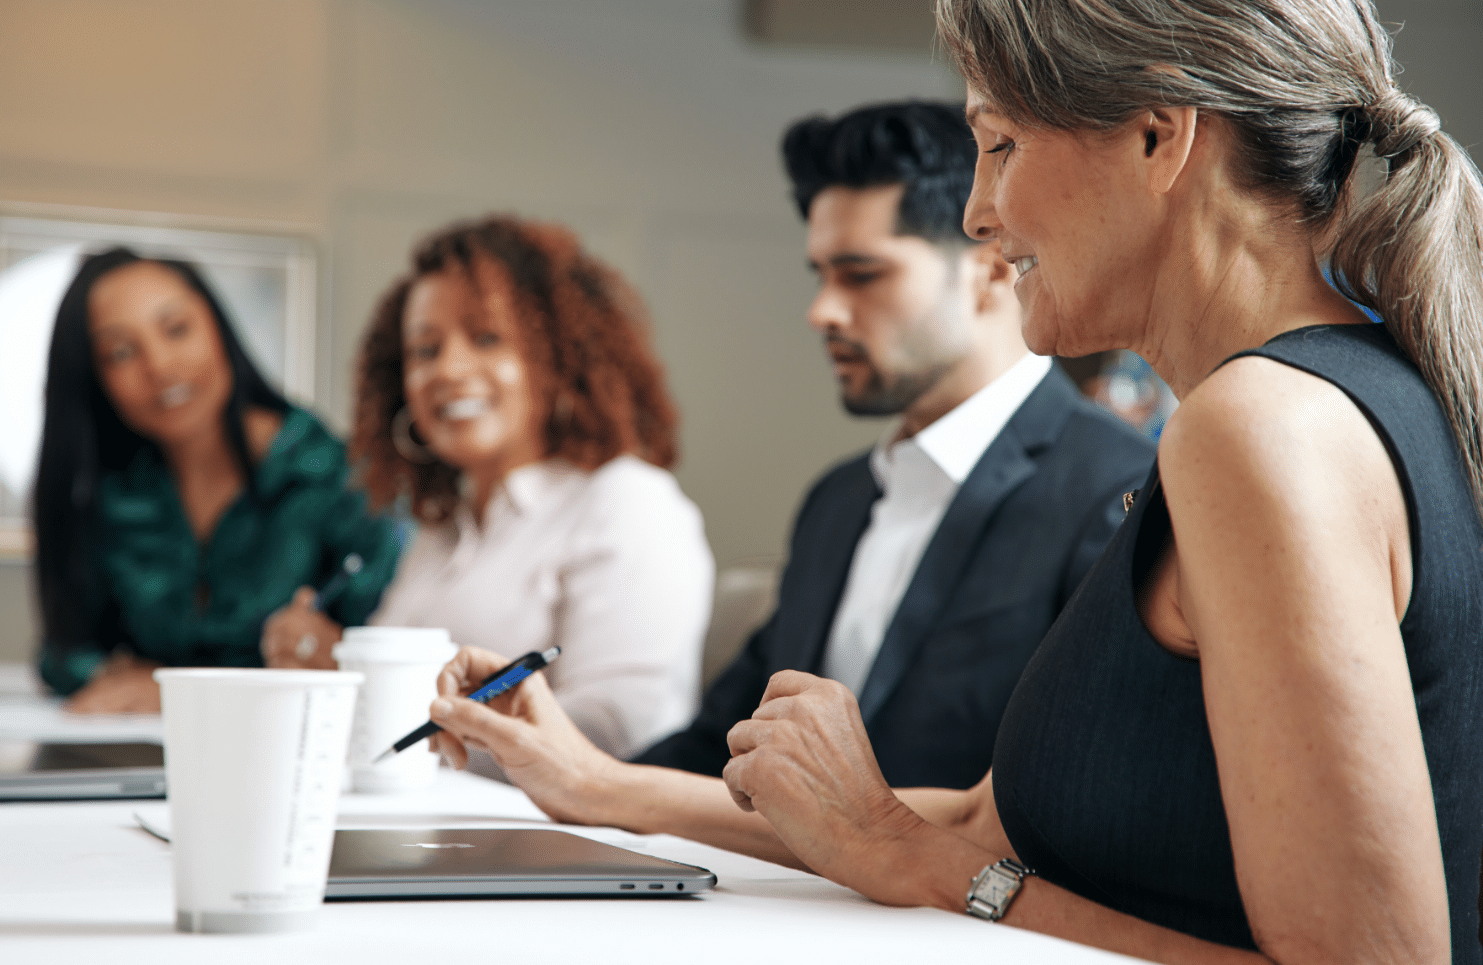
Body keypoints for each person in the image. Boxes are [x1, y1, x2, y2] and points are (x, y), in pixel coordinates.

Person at [707, 1, 1482, 962]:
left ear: (1160, 136)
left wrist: (907, 858)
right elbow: (986, 821)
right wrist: (589, 786)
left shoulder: (1258, 429)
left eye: (1000, 146)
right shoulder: (1329, 399)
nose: (976, 212)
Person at [417, 101, 1152, 850]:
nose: (823, 310)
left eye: (861, 274)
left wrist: (602, 787)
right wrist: (553, 762)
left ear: (992, 267)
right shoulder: (838, 503)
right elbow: (718, 746)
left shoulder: (1117, 492)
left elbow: (1048, 816)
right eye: (822, 275)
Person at [263, 216, 712, 762]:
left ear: (559, 356)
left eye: (486, 338)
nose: (449, 369)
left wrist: (416, 714)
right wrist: (330, 664)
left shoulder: (629, 502)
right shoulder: (441, 530)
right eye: (424, 351)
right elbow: (383, 716)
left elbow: (618, 731)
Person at [33, 247, 400, 713]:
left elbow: (393, 662)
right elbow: (65, 653)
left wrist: (176, 691)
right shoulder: (114, 494)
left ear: (218, 327)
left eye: (176, 329)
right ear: (94, 378)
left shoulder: (334, 479)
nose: (160, 366)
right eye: (120, 352)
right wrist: (124, 680)